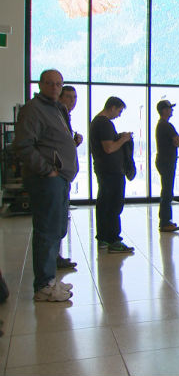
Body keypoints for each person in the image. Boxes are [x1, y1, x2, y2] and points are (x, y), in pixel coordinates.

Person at [12, 69, 78, 301]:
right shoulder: (33, 109)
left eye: (58, 84)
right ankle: (43, 285)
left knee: (57, 229)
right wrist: (47, 170)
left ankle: (49, 279)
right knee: (47, 230)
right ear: (40, 84)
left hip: (60, 179)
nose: (54, 87)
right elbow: (23, 146)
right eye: (49, 83)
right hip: (46, 180)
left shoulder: (57, 109)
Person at [89, 96, 135, 253]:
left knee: (104, 204)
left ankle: (103, 238)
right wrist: (123, 139)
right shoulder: (104, 123)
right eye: (119, 110)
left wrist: (118, 137)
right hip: (111, 171)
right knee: (114, 205)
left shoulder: (96, 122)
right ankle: (114, 240)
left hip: (104, 169)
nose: (119, 114)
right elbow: (109, 148)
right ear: (113, 107)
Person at [55, 85, 82, 269]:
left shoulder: (65, 117)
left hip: (64, 175)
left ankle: (56, 256)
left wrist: (74, 143)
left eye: (74, 97)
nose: (72, 101)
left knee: (59, 218)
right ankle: (51, 260)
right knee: (54, 219)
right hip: (56, 175)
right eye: (68, 97)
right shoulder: (56, 116)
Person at [155, 100, 179, 232]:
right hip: (167, 161)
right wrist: (178, 141)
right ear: (164, 110)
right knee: (167, 192)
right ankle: (165, 221)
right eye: (170, 109)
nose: (172, 111)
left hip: (163, 160)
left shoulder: (161, 125)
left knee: (166, 191)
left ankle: (165, 220)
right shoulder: (166, 125)